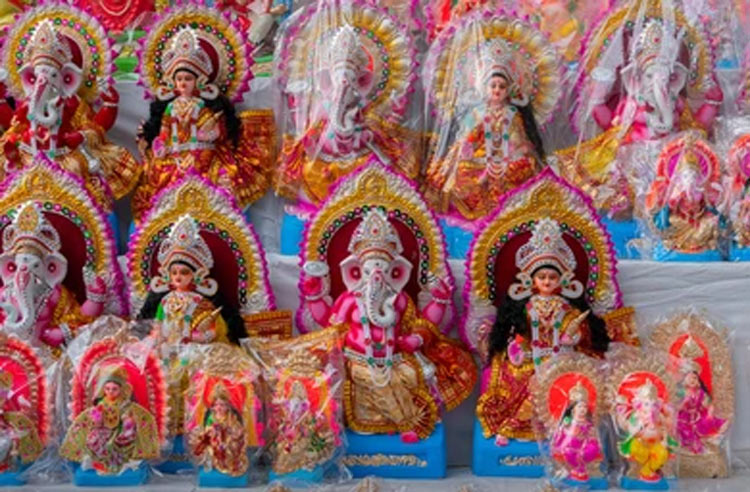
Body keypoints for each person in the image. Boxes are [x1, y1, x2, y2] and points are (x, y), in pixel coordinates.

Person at [477, 218, 610, 445]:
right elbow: (520, 334)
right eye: (542, 277)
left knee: (572, 383)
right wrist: (518, 346)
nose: (547, 281)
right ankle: (515, 425)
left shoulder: (567, 308)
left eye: (552, 277)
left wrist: (573, 337)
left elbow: (581, 331)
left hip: (562, 358)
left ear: (561, 280)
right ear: (532, 280)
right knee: (515, 379)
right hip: (531, 359)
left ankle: (566, 426)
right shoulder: (525, 306)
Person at [425, 39, 545, 222]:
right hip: (479, 160)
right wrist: (469, 151)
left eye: (502, 86)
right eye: (493, 85)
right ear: (485, 88)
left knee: (524, 167)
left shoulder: (512, 113)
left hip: (506, 160)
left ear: (509, 90)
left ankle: (505, 207)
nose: (497, 90)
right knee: (461, 173)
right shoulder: (477, 113)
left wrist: (512, 153)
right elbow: (468, 141)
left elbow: (517, 141)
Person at [60, 367, 159, 475]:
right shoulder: (101, 404)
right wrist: (97, 419)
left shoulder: (125, 404)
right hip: (103, 429)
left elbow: (130, 419)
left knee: (117, 441)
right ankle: (100, 462)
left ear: (121, 389)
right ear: (103, 389)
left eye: (114, 389)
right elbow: (95, 420)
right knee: (93, 439)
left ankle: (117, 463)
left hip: (120, 430)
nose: (110, 392)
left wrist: (126, 421)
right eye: (107, 389)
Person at [550, 381, 603, 481]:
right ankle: (573, 470)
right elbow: (562, 436)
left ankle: (582, 469)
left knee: (592, 449)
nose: (582, 409)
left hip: (584, 446)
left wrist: (590, 437)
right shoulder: (568, 422)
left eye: (584, 407)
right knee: (568, 451)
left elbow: (592, 437)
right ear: (573, 409)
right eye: (579, 406)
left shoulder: (588, 423)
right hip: (571, 446)